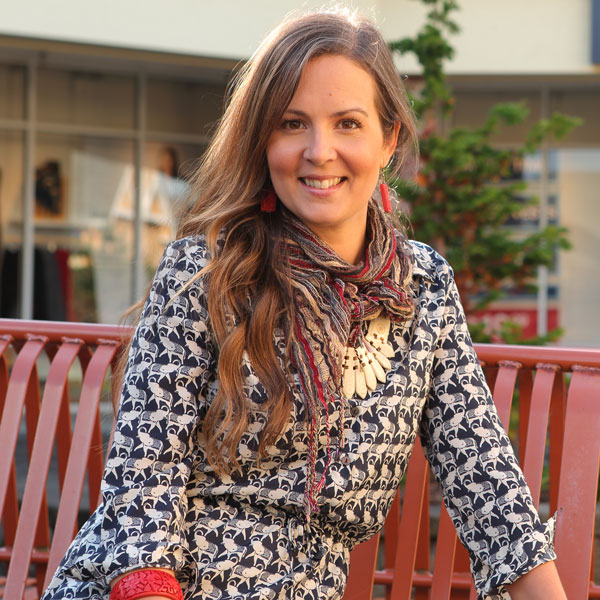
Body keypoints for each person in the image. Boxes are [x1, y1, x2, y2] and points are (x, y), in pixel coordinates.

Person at [42, 8, 566, 600]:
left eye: (347, 123)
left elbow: (486, 480)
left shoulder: (424, 287)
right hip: (161, 583)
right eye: (293, 123)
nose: (320, 151)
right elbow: (143, 476)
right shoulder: (206, 270)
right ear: (264, 139)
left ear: (388, 137)